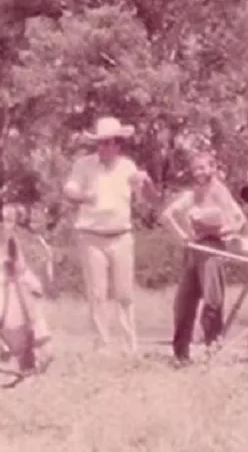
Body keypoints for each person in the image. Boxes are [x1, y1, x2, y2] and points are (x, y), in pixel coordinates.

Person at [63, 116, 159, 354]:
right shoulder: (84, 165)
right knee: (97, 293)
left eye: (109, 142)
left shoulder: (127, 166)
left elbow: (150, 199)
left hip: (121, 235)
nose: (104, 147)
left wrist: (146, 182)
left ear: (118, 144)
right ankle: (102, 345)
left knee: (125, 294)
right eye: (101, 143)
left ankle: (129, 346)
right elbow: (69, 190)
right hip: (91, 235)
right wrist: (83, 196)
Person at [160, 150, 246, 366]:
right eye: (195, 168)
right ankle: (181, 353)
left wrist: (226, 231)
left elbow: (239, 219)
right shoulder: (193, 194)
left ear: (212, 168)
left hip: (213, 250)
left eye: (203, 167)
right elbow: (167, 215)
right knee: (184, 302)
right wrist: (183, 236)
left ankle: (212, 351)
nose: (198, 172)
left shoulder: (220, 191)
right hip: (194, 249)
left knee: (213, 302)